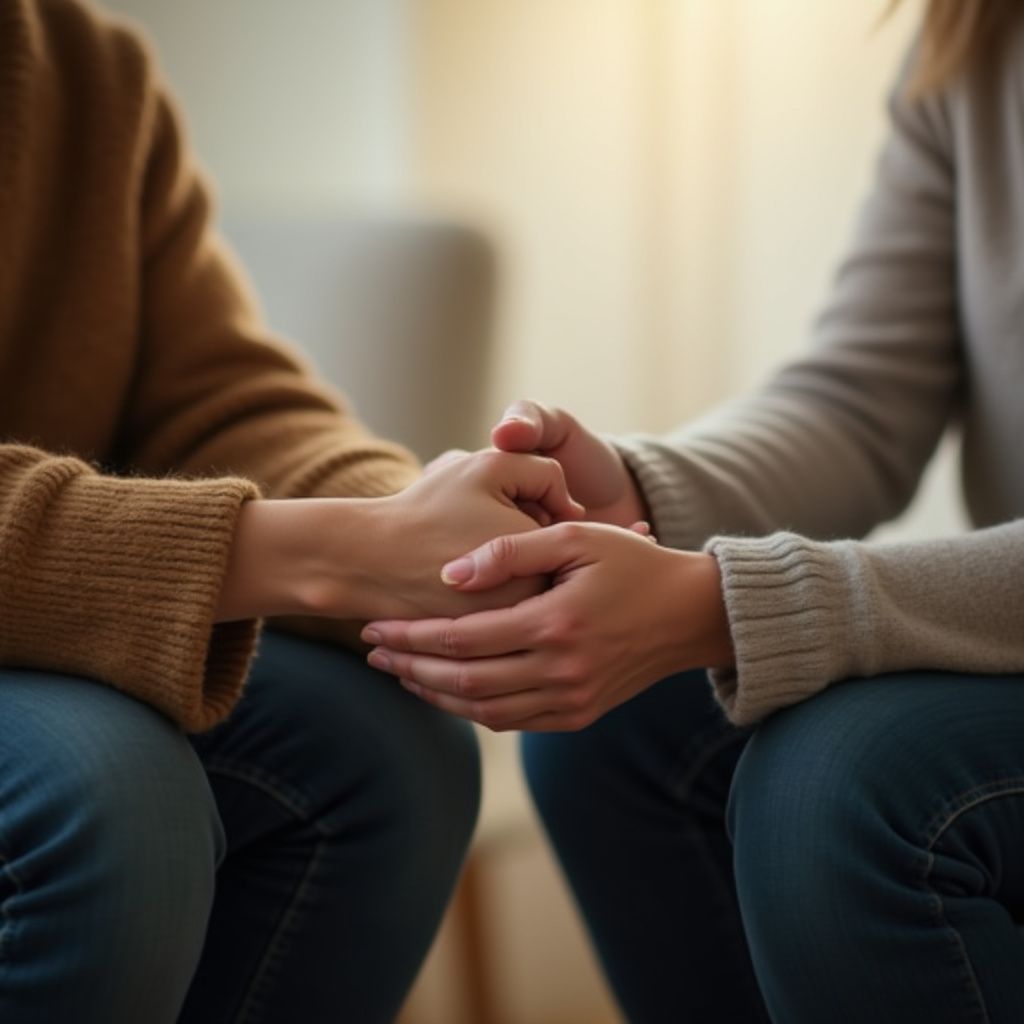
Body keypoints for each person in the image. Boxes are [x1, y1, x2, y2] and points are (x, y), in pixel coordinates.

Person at [362, 1, 1024, 1021]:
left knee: (846, 786)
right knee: (617, 728)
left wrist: (735, 601)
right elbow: (860, 403)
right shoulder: (977, 37)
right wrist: (637, 492)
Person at [0, 2, 585, 1021]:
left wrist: (440, 532)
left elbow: (220, 396)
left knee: (385, 751)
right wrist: (328, 551)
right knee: (104, 787)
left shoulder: (83, 65)